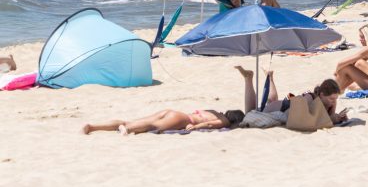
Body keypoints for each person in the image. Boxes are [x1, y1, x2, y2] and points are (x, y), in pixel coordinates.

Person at [236, 67, 347, 123]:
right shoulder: (310, 98)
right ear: (322, 94)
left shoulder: (332, 101)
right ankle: (248, 78)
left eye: (336, 98)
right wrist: (331, 119)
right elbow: (304, 117)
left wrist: (338, 117)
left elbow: (328, 116)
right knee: (250, 113)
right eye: (332, 98)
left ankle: (269, 77)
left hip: (287, 106)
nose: (334, 101)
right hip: (284, 106)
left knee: (271, 101)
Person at [83, 106, 245, 135]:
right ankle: (126, 130)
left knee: (132, 121)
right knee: (150, 127)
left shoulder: (214, 111)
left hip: (174, 112)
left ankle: (93, 127)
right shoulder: (223, 121)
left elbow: (207, 118)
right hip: (182, 119)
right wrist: (195, 127)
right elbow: (209, 124)